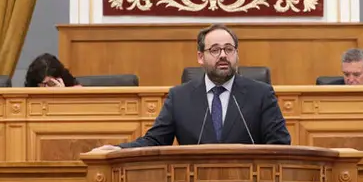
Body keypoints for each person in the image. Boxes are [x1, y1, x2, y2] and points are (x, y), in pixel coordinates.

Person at [92, 23, 290, 150]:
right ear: (200, 57)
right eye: (214, 50)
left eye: (229, 49)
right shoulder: (180, 97)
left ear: (236, 55)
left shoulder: (261, 94)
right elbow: (155, 141)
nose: (223, 55)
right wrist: (119, 149)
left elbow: (280, 144)